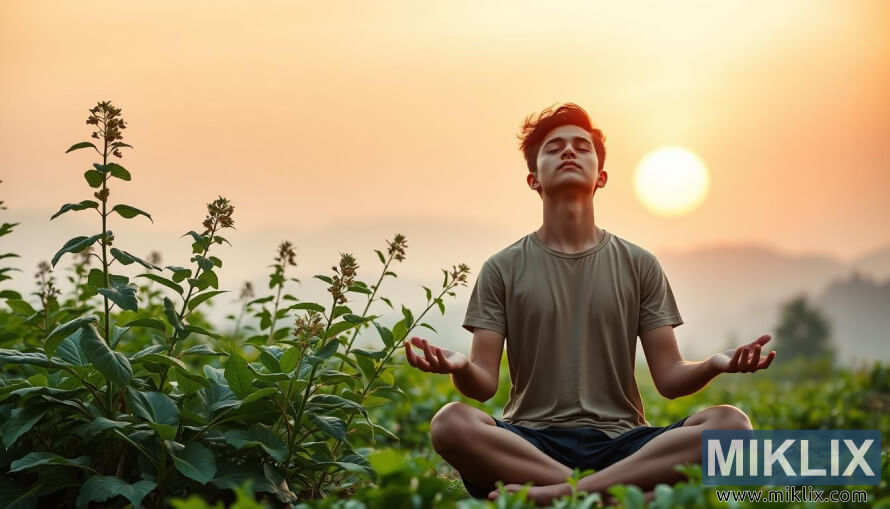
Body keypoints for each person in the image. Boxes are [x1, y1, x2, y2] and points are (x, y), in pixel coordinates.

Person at [403, 103, 776, 506]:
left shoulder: (639, 264)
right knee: (450, 424)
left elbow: (669, 378)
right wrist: (460, 367)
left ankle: (566, 496)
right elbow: (483, 384)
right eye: (554, 147)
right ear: (533, 179)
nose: (568, 151)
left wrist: (715, 364)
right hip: (531, 445)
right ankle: (615, 498)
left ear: (601, 176)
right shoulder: (502, 268)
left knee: (731, 425)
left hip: (623, 444)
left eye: (581, 146)